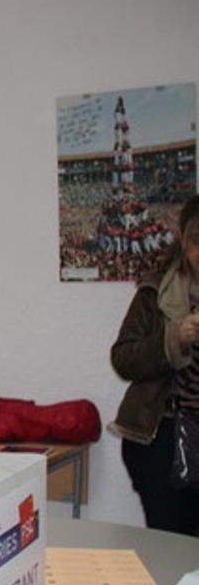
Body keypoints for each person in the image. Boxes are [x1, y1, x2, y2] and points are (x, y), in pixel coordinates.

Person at [111, 194, 199, 536]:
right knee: (168, 548)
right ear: (183, 241)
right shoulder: (155, 290)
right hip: (160, 437)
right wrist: (174, 336)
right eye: (196, 242)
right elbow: (123, 359)